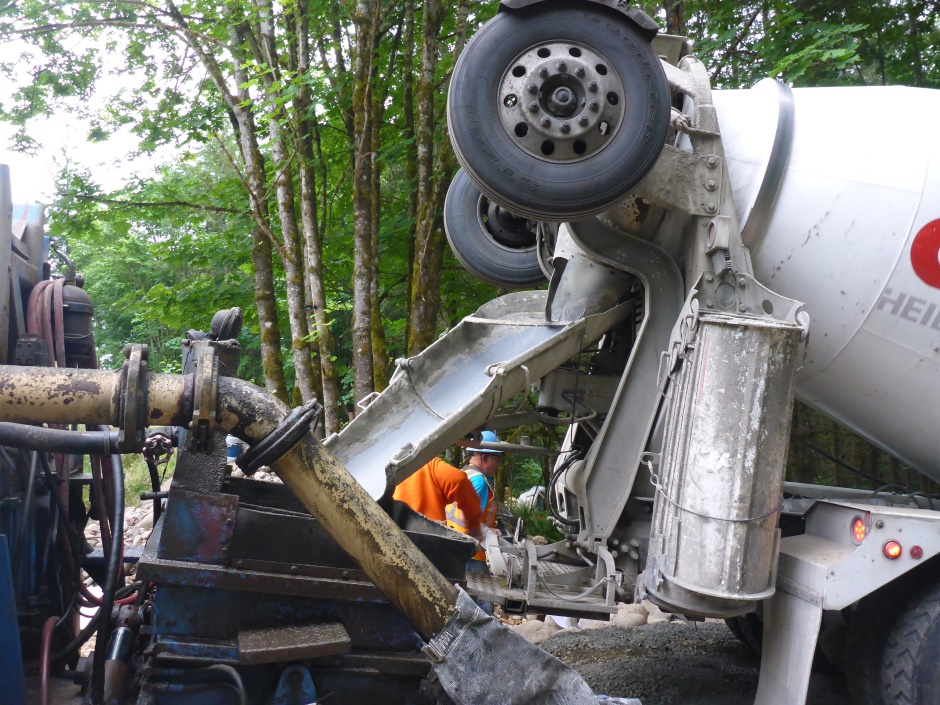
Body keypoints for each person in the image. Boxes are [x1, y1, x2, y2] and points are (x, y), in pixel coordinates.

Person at [446, 430, 504, 613]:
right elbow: (466, 516)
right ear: (485, 457)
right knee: (484, 603)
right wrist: (488, 533)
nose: (499, 463)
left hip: (457, 546)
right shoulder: (479, 481)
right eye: (497, 457)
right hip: (471, 550)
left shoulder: (465, 474)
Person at [392, 457, 485, 541]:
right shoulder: (427, 464)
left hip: (391, 537)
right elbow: (459, 480)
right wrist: (474, 526)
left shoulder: (383, 467)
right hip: (428, 540)